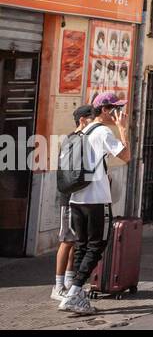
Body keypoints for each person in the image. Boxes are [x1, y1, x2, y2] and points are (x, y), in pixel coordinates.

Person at [60, 91, 131, 315]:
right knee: (97, 246)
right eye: (116, 109)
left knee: (82, 246)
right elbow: (126, 156)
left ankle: (75, 292)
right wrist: (122, 130)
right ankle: (74, 294)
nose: (119, 113)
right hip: (97, 200)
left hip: (76, 198)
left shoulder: (83, 130)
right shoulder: (102, 132)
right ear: (105, 110)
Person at [52, 105, 95, 301]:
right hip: (70, 197)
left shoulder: (80, 140)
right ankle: (58, 286)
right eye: (91, 117)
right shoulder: (73, 140)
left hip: (80, 197)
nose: (94, 120)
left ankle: (69, 282)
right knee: (67, 240)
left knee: (76, 242)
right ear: (83, 120)